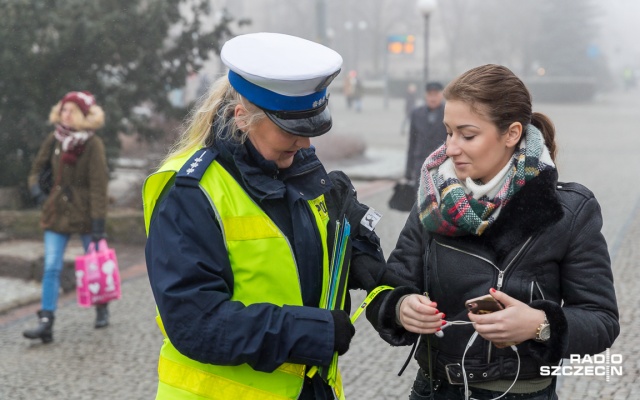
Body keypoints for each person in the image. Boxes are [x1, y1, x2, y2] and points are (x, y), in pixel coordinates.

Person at [143, 32, 406, 400]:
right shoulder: (189, 192)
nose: (305, 144)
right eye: (292, 132)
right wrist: (310, 332)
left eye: (311, 130)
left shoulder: (296, 167)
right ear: (243, 118)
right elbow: (194, 322)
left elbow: (321, 239)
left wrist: (369, 271)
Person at [367, 64, 619, 399]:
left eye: (467, 135)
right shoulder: (433, 201)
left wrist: (538, 324)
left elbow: (601, 321)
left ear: (511, 134)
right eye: (448, 132)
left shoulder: (570, 211)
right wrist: (399, 306)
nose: (451, 148)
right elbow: (384, 288)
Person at [23, 91, 110, 344]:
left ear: (83, 115)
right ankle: (46, 321)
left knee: (95, 266)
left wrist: (98, 224)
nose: (66, 114)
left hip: (84, 212)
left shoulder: (93, 144)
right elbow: (36, 170)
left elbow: (98, 186)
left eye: (71, 110)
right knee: (52, 266)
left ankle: (101, 306)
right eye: (63, 110)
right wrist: (37, 191)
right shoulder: (55, 139)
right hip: (56, 212)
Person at [404, 81, 447, 183]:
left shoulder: (448, 112)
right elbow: (412, 142)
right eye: (430, 95)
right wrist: (409, 169)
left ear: (441, 95)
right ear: (425, 96)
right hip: (420, 163)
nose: (432, 98)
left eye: (435, 94)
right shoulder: (417, 113)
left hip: (442, 164)